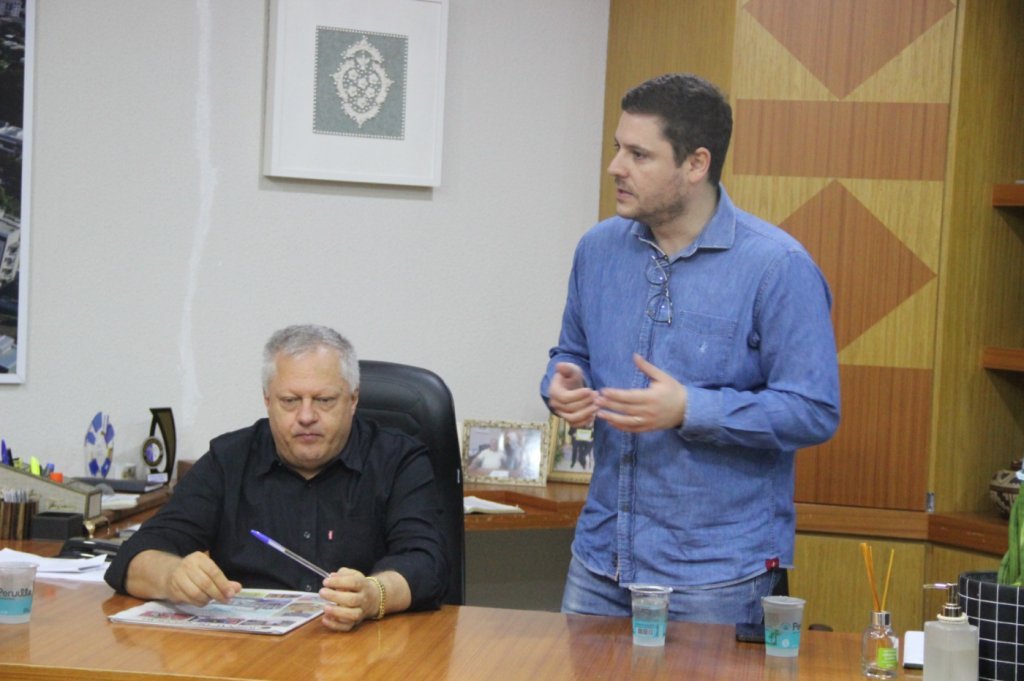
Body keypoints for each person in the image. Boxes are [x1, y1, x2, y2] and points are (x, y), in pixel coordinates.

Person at [540, 73, 840, 625]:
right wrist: (561, 386)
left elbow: (813, 409)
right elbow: (571, 354)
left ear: (696, 164)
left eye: (638, 154)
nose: (615, 168)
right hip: (599, 560)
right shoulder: (597, 249)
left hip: (717, 575)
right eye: (616, 149)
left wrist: (690, 410)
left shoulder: (778, 267)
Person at [105, 324, 449, 632]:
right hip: (249, 658)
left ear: (353, 399)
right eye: (289, 401)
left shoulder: (399, 459)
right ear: (267, 400)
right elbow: (134, 557)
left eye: (324, 400)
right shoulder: (229, 460)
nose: (306, 416)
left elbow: (426, 562)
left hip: (365, 653)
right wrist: (172, 577)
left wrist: (374, 595)